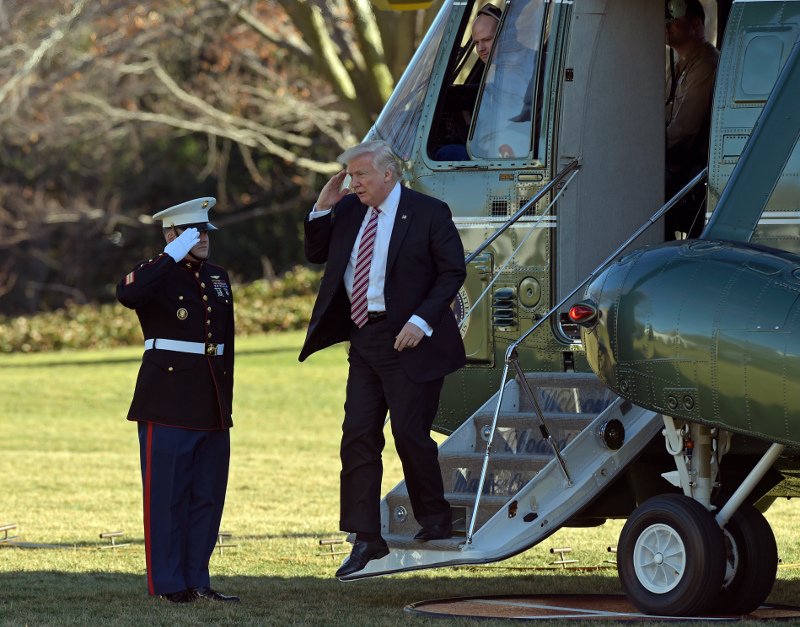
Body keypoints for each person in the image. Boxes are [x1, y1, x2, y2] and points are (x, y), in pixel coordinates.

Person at [299, 140, 467, 578]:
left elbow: (452, 271)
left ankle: (434, 518)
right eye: (350, 176)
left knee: (410, 433)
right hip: (365, 340)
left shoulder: (429, 212)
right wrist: (322, 206)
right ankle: (365, 538)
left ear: (387, 174)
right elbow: (316, 254)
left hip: (411, 339)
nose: (354, 184)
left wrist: (421, 321)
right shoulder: (350, 211)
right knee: (357, 434)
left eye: (360, 176)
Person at [117, 197, 239, 604]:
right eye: (194, 232)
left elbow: (227, 346)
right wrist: (167, 256)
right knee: (167, 496)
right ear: (172, 235)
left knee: (206, 495)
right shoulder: (157, 276)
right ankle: (169, 583)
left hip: (210, 402)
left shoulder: (218, 277)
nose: (204, 238)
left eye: (206, 231)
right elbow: (127, 295)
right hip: (166, 402)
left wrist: (227, 403)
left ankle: (197, 578)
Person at [664, 0, 720, 238]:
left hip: (691, 167)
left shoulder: (706, 61)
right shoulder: (678, 65)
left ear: (695, 24)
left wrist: (650, 155)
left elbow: (685, 128)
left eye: (674, 17)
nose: (667, 24)